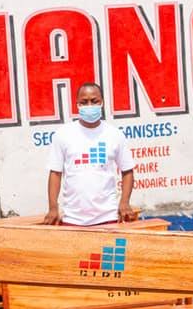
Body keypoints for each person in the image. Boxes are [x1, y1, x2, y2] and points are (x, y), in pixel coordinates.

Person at [42, 83, 135, 226]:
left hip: (107, 217)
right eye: (84, 102)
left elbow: (127, 171)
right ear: (77, 105)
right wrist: (53, 208)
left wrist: (124, 202)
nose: (89, 105)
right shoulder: (63, 134)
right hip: (72, 219)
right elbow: (55, 173)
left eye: (94, 101)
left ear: (102, 102)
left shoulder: (115, 134)